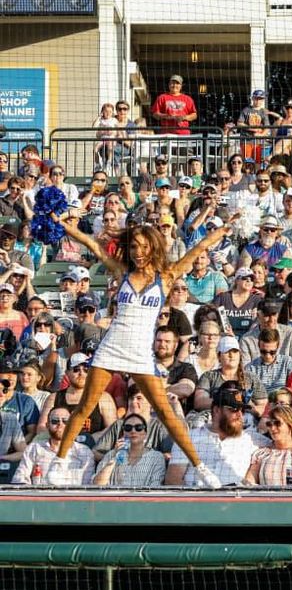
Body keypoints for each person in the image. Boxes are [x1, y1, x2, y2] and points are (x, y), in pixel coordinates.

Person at [47, 209, 238, 488]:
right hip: (111, 346)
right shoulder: (121, 271)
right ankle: (59, 461)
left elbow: (198, 248)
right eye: (134, 246)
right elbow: (91, 244)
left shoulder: (167, 276)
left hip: (139, 353)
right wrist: (63, 225)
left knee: (166, 413)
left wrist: (222, 231)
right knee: (85, 405)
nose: (138, 252)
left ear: (153, 247)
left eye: (144, 246)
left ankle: (200, 467)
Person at [165, 385, 267, 486]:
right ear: (217, 410)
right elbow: (173, 481)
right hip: (196, 497)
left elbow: (281, 442)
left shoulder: (251, 439)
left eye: (242, 410)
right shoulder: (188, 438)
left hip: (234, 499)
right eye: (234, 410)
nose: (240, 415)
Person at [12, 406, 95, 485]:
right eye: (55, 421)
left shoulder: (84, 452)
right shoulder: (34, 448)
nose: (60, 424)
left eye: (65, 421)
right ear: (47, 425)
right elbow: (20, 479)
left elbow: (88, 487)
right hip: (41, 497)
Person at [92, 412, 167, 487]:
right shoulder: (111, 454)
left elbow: (155, 488)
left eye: (139, 427)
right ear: (123, 433)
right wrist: (114, 459)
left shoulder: (156, 457)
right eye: (128, 428)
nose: (133, 431)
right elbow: (97, 485)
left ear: (145, 434)